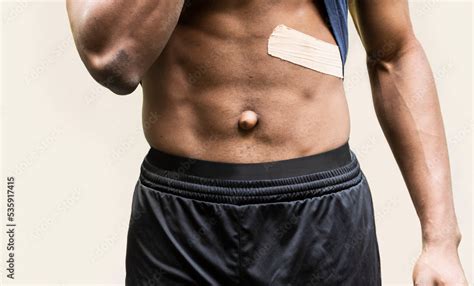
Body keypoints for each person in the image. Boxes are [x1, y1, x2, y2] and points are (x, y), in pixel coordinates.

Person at [66, 0, 468, 285]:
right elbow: (113, 58)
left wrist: (440, 241)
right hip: (183, 219)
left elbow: (394, 54)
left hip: (320, 214)